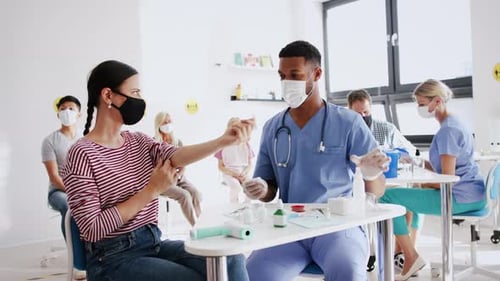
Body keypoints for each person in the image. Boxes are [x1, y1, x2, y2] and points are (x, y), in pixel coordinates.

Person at [61, 60, 252, 281]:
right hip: (112, 260)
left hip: (153, 244)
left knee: (231, 259)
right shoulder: (81, 154)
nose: (140, 99)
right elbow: (92, 228)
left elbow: (176, 155)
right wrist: (151, 190)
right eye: (134, 92)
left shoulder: (138, 141)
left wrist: (222, 141)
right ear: (108, 96)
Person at [242, 40, 389, 281]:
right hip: (289, 227)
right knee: (253, 273)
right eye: (282, 75)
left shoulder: (349, 122)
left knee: (349, 272)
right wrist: (259, 188)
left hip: (338, 227)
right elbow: (270, 189)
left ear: (317, 73)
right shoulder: (273, 128)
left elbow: (378, 188)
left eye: (295, 75)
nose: (286, 82)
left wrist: (371, 173)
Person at [379, 79, 486, 280]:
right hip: (473, 193)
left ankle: (410, 256)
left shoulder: (448, 131)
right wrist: (416, 162)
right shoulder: (455, 122)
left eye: (421, 104)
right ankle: (410, 252)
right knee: (414, 195)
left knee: (387, 196)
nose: (419, 108)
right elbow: (443, 169)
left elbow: (446, 180)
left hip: (459, 197)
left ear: (436, 101)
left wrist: (423, 182)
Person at [41, 95, 86, 280]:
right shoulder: (50, 141)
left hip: (83, 189)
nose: (67, 112)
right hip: (59, 191)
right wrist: (75, 192)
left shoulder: (85, 140)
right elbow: (54, 176)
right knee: (70, 208)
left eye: (71, 109)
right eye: (63, 109)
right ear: (58, 114)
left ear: (79, 114)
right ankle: (78, 263)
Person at [154, 111, 201, 226]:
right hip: (163, 181)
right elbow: (154, 168)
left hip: (179, 178)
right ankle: (195, 226)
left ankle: (201, 222)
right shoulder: (154, 143)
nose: (168, 124)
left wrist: (178, 176)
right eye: (164, 122)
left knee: (196, 193)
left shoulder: (177, 142)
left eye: (169, 121)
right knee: (184, 195)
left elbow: (184, 165)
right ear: (159, 125)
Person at [347, 89, 416, 156]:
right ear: (350, 112)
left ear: (370, 108)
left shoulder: (387, 129)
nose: (363, 116)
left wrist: (395, 155)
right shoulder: (345, 132)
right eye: (358, 114)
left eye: (365, 112)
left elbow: (413, 151)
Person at [215, 117, 255, 203]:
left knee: (251, 188)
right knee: (236, 187)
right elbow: (220, 167)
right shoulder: (222, 146)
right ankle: (234, 206)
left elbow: (250, 164)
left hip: (243, 172)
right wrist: (234, 174)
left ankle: (246, 206)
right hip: (229, 173)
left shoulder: (246, 145)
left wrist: (243, 174)